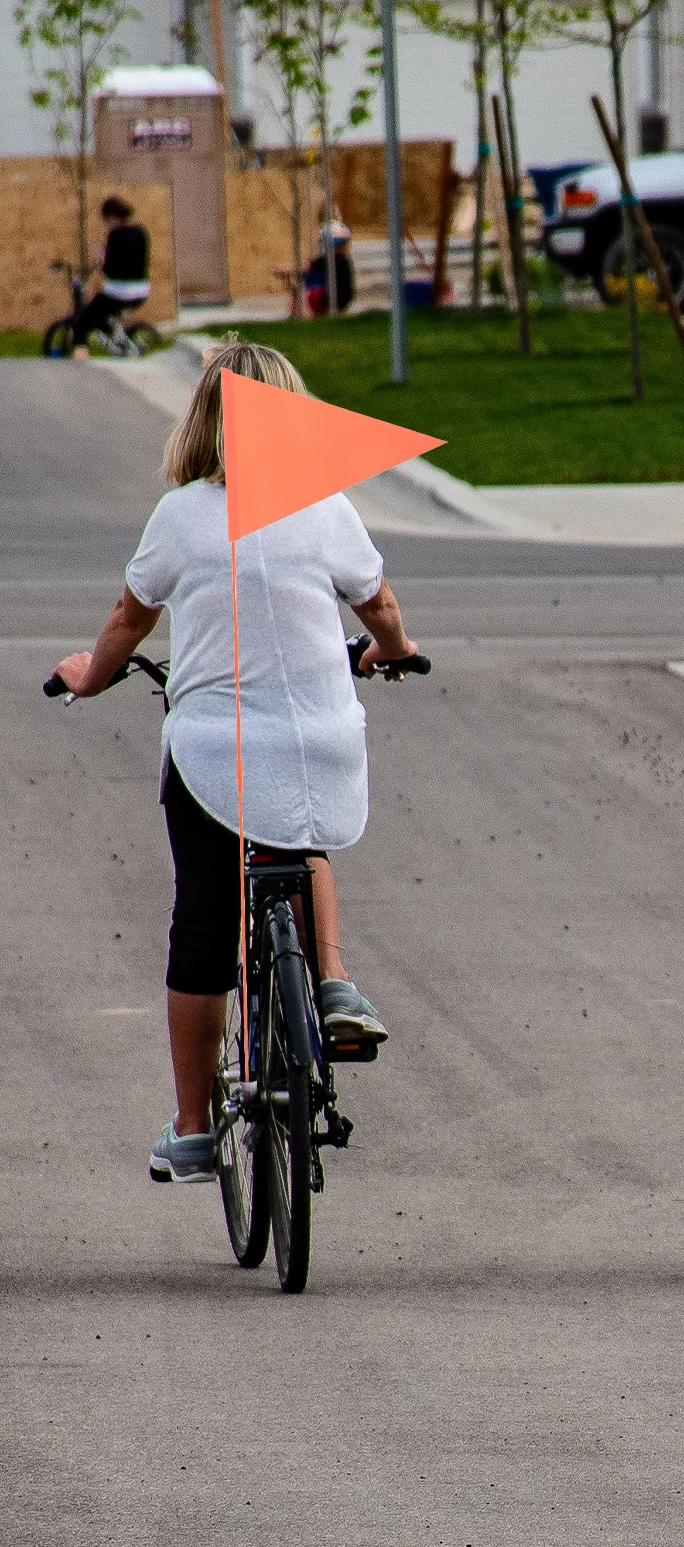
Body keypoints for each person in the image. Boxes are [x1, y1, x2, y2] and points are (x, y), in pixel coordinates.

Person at [50, 339, 418, 1185]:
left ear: (205, 417)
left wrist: (89, 677)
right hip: (318, 739)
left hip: (215, 751)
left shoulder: (180, 515)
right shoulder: (327, 508)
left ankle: (191, 1128)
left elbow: (127, 619)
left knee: (205, 922)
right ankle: (333, 985)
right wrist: (393, 649)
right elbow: (381, 604)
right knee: (299, 837)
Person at [70, 197, 150, 358]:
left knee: (82, 323)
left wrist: (102, 258)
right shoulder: (141, 232)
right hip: (141, 291)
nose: (106, 224)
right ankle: (120, 340)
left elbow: (110, 270)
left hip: (119, 292)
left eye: (106, 221)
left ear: (112, 217)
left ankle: (79, 363)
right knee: (103, 315)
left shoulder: (115, 234)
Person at [302, 221, 355, 315]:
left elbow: (307, 268)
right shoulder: (344, 260)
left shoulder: (330, 260)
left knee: (305, 294)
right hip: (346, 297)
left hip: (333, 297)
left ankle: (307, 317)